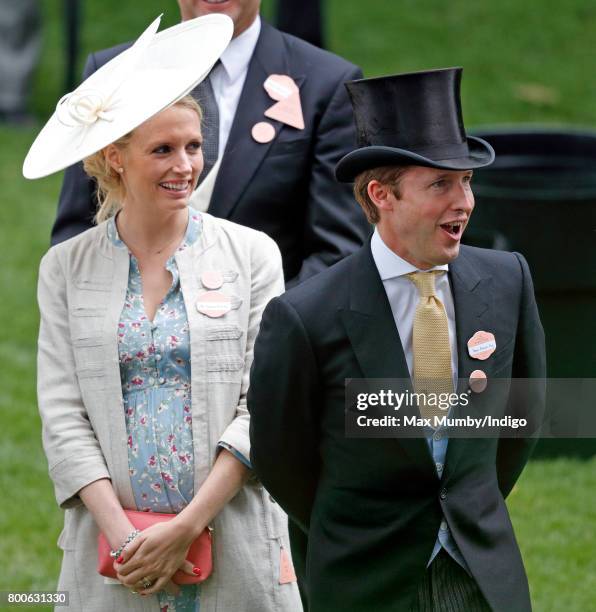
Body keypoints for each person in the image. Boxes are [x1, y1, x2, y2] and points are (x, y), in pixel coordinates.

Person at [248, 68, 546, 611]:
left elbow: (521, 418)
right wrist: (357, 527)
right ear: (382, 194)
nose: (464, 202)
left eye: (467, 181)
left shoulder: (507, 281)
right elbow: (281, 459)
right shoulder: (305, 316)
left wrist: (466, 503)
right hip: (365, 581)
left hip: (480, 574)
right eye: (440, 185)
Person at [31, 15, 302, 612]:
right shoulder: (65, 269)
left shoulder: (252, 254)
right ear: (115, 157)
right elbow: (62, 413)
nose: (185, 165)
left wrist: (187, 527)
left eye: (193, 146)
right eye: (162, 150)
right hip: (112, 555)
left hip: (234, 537)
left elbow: (264, 405)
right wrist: (128, 540)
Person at [51, 0, 369, 287]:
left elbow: (337, 253)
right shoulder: (111, 75)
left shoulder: (326, 85)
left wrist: (266, 330)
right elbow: (77, 231)